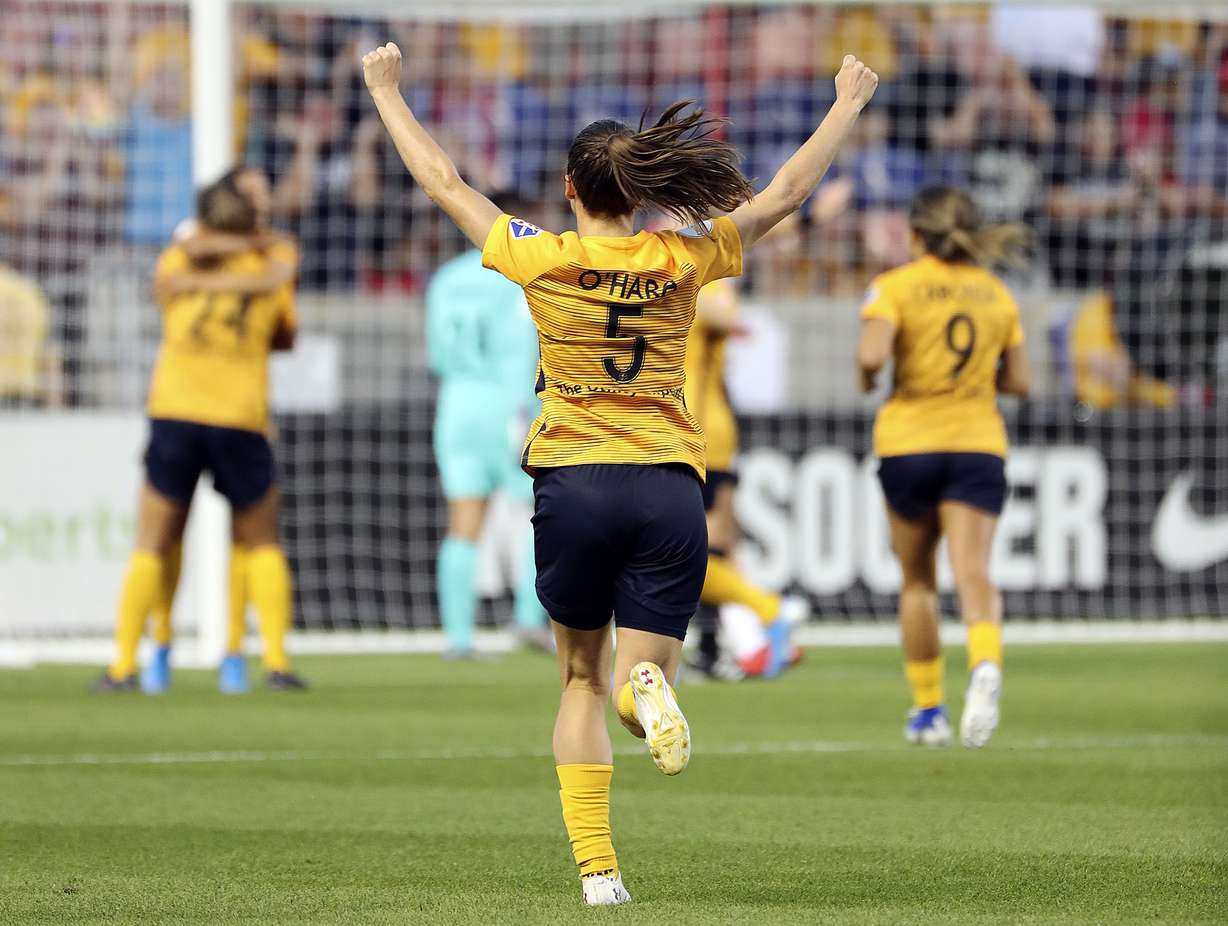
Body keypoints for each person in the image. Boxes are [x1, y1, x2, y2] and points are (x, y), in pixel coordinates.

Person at [363, 41, 877, 905]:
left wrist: (385, 89)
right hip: (669, 483)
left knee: (576, 680)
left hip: (574, 479)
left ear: (570, 191)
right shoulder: (684, 258)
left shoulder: (541, 255)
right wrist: (847, 104)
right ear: (639, 192)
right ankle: (652, 692)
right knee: (645, 681)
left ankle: (601, 876)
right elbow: (786, 194)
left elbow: (444, 181)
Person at [95, 168, 307, 694]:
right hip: (240, 414)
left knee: (155, 538)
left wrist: (195, 280)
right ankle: (264, 661)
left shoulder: (175, 261)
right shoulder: (273, 260)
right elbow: (284, 334)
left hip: (176, 409)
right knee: (256, 539)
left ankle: (131, 663)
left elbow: (166, 287)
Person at [857, 185, 1030, 750]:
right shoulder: (997, 294)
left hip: (909, 441)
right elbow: (1023, 382)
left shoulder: (895, 287)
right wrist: (981, 379)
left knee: (917, 582)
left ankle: (928, 710)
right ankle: (985, 666)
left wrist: (868, 380)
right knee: (974, 571)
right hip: (978, 440)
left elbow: (870, 357)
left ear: (914, 234)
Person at [425, 197, 550, 658]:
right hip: (507, 405)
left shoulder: (444, 280)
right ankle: (528, 618)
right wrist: (526, 410)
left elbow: (436, 356)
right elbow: (523, 350)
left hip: (456, 405)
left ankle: (458, 639)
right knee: (541, 513)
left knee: (462, 521)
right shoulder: (518, 277)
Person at [684, 279, 805, 680]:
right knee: (716, 550)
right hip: (687, 431)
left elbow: (726, 316)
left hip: (698, 433)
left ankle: (767, 611)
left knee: (685, 555)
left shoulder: (701, 282)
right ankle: (718, 648)